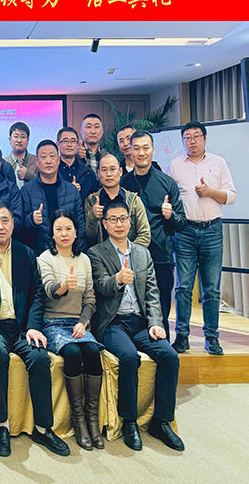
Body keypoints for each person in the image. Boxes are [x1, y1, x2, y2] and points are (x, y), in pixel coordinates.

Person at [0, 200, 70, 457]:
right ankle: (2, 425)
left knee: (39, 357)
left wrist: (33, 327)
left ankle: (43, 428)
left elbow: (37, 294)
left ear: (13, 225)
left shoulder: (26, 253)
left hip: (22, 327)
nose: (0, 226)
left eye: (5, 221)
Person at [88, 201, 183, 452]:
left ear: (130, 222)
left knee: (170, 356)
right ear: (105, 224)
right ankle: (129, 421)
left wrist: (156, 323)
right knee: (129, 357)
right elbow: (100, 286)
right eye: (113, 220)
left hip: (140, 322)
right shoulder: (96, 253)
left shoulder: (142, 253)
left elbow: (153, 293)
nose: (119, 224)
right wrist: (118, 279)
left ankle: (161, 421)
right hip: (113, 322)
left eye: (123, 219)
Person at [37, 209, 103, 450]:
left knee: (93, 353)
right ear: (52, 234)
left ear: (76, 233)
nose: (64, 233)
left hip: (78, 323)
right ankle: (79, 422)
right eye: (59, 229)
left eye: (68, 229)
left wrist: (83, 322)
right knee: (73, 353)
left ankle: (92, 420)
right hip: (53, 322)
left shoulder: (84, 259)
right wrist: (64, 285)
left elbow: (90, 299)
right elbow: (48, 290)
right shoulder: (45, 258)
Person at [169, 121, 236, 355]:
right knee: (183, 288)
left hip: (212, 231)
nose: (192, 141)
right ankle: (182, 336)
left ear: (205, 138)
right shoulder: (175, 165)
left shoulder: (218, 163)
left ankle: (212, 338)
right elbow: (171, 197)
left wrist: (210, 192)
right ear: (183, 141)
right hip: (185, 232)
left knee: (212, 290)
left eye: (196, 136)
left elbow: (231, 196)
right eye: (187, 137)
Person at [122, 131, 187, 339]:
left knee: (161, 308)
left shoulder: (167, 183)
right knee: (131, 308)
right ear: (130, 151)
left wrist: (170, 215)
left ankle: (162, 346)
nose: (141, 153)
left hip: (160, 256)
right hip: (128, 257)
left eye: (145, 148)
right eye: (137, 148)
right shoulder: (123, 183)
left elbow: (181, 223)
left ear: (153, 150)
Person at [21, 140, 86, 255]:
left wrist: (78, 251)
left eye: (52, 156)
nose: (48, 161)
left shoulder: (71, 190)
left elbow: (80, 224)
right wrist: (32, 220)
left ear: (58, 160)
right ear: (37, 161)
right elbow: (21, 228)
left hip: (68, 252)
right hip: (39, 253)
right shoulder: (27, 190)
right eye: (43, 157)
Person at [84, 154, 151, 248]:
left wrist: (128, 252)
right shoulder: (91, 201)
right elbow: (90, 238)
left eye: (112, 169)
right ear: (98, 173)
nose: (108, 174)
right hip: (101, 255)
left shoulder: (134, 200)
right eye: (104, 170)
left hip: (129, 255)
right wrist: (93, 217)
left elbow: (145, 234)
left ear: (120, 171)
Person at [57, 126, 98, 203]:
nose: (69, 144)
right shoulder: (52, 172)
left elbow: (93, 201)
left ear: (78, 144)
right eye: (65, 141)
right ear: (57, 145)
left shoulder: (88, 173)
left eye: (73, 141)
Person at [4, 122, 38, 188]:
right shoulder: (4, 163)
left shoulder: (36, 161)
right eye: (16, 137)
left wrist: (28, 175)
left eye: (23, 137)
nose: (19, 140)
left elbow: (44, 182)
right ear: (10, 140)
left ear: (28, 140)